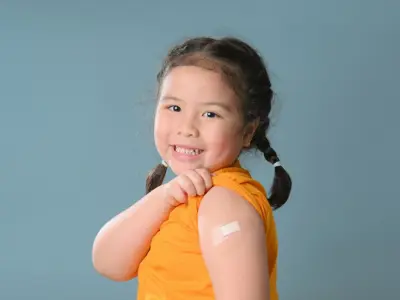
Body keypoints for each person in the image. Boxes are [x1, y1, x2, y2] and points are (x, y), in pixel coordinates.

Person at [92, 36, 292, 300]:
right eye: (174, 107)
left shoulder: (223, 204)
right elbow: (109, 263)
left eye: (210, 114)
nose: (186, 128)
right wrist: (164, 197)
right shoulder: (180, 197)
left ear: (247, 131)